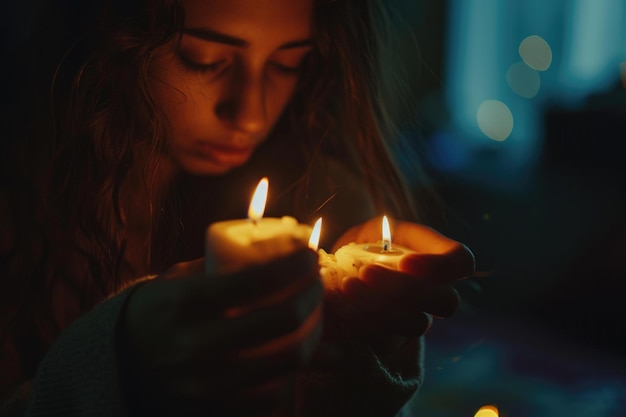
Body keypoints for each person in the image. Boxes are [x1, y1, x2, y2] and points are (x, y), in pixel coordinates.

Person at [0, 0, 475, 416]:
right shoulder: (18, 223)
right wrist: (116, 365)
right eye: (202, 60)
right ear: (112, 38)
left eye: (287, 64)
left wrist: (358, 362)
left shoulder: (316, 194)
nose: (250, 114)